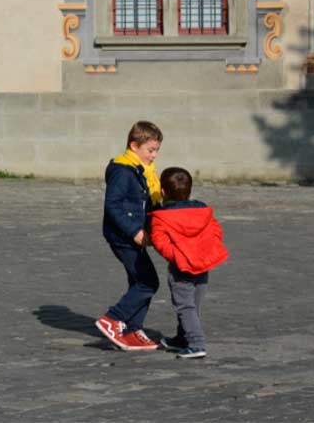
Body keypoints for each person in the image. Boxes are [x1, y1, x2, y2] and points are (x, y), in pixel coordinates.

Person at [95, 121, 164, 351]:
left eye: (156, 151)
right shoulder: (123, 171)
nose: (154, 156)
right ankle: (113, 319)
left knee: (139, 281)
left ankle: (132, 329)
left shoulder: (142, 171)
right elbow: (112, 206)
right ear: (134, 146)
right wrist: (134, 231)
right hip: (123, 236)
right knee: (148, 281)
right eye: (150, 150)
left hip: (136, 236)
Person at [149, 167, 229, 359]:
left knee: (185, 305)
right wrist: (205, 250)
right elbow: (216, 231)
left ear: (162, 192)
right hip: (202, 264)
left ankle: (196, 342)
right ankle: (182, 337)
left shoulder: (161, 216)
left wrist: (176, 256)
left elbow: (160, 242)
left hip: (181, 267)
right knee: (194, 303)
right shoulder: (203, 211)